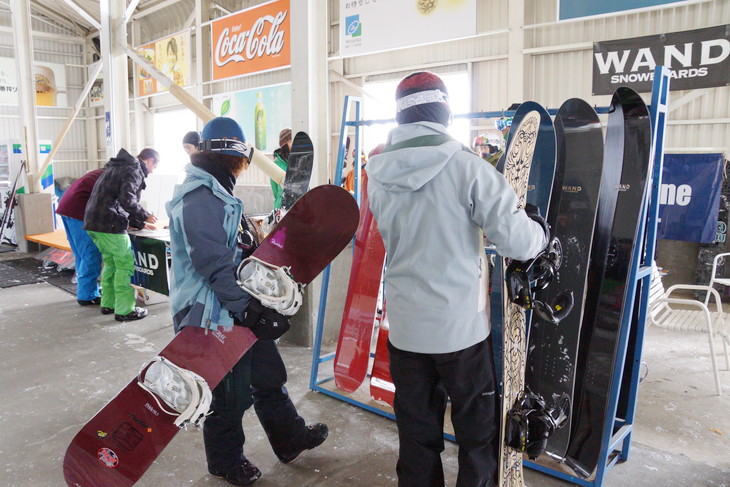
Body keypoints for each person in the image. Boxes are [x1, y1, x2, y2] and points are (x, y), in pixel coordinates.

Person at [365, 72, 549, 487]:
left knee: (416, 436)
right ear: (443, 110)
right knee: (477, 437)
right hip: (459, 332)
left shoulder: (376, 172)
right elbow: (518, 242)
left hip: (406, 329)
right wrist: (540, 233)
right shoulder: (467, 168)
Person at [166, 117, 328, 486]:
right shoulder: (199, 196)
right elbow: (212, 262)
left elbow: (234, 250)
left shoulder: (218, 190)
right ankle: (225, 461)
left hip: (235, 305)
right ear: (231, 158)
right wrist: (247, 308)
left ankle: (290, 439)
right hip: (211, 314)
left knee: (269, 378)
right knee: (229, 395)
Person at [83, 148, 159, 321]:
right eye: (154, 166)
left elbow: (116, 199)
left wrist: (140, 223)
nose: (152, 171)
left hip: (93, 222)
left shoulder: (115, 167)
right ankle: (125, 310)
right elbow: (128, 200)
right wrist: (145, 215)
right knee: (124, 266)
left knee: (110, 264)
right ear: (149, 161)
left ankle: (108, 304)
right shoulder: (133, 169)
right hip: (110, 224)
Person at [56, 168, 105, 306]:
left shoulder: (103, 172)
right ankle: (87, 295)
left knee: (81, 254)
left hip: (67, 208)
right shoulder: (118, 176)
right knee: (90, 253)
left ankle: (85, 290)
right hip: (79, 212)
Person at [270, 128, 292, 210]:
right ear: (285, 144)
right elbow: (275, 191)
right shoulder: (277, 166)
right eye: (291, 140)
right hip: (281, 209)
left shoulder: (298, 163)